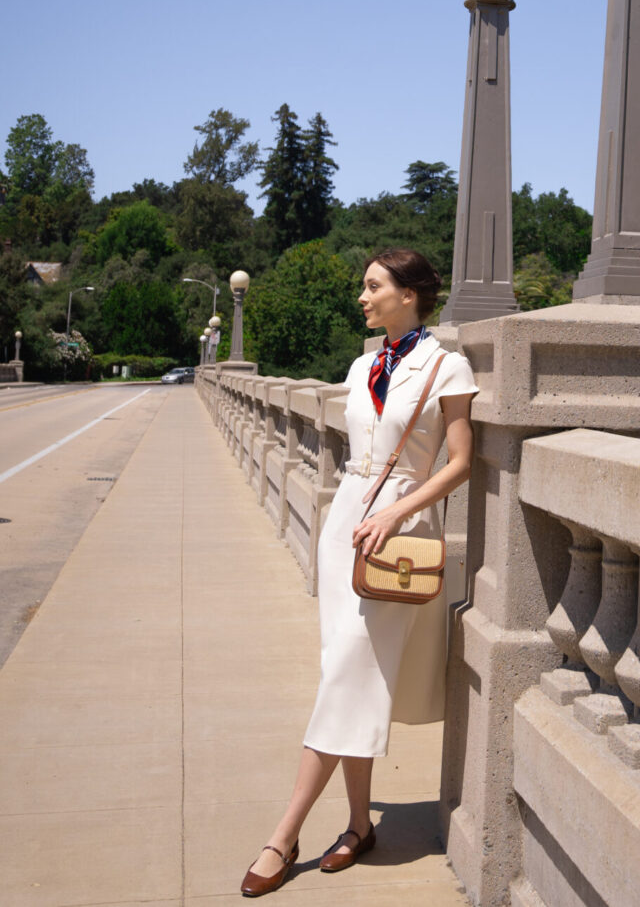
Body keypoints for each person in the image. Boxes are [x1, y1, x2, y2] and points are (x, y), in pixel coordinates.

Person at [241, 248, 478, 897]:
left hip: (400, 531)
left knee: (348, 672)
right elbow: (361, 451)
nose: (362, 297)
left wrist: (398, 510)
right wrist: (363, 509)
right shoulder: (362, 364)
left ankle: (284, 834)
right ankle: (358, 824)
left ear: (409, 294)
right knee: (346, 676)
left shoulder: (447, 367)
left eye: (373, 286)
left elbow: (460, 463)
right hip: (346, 522)